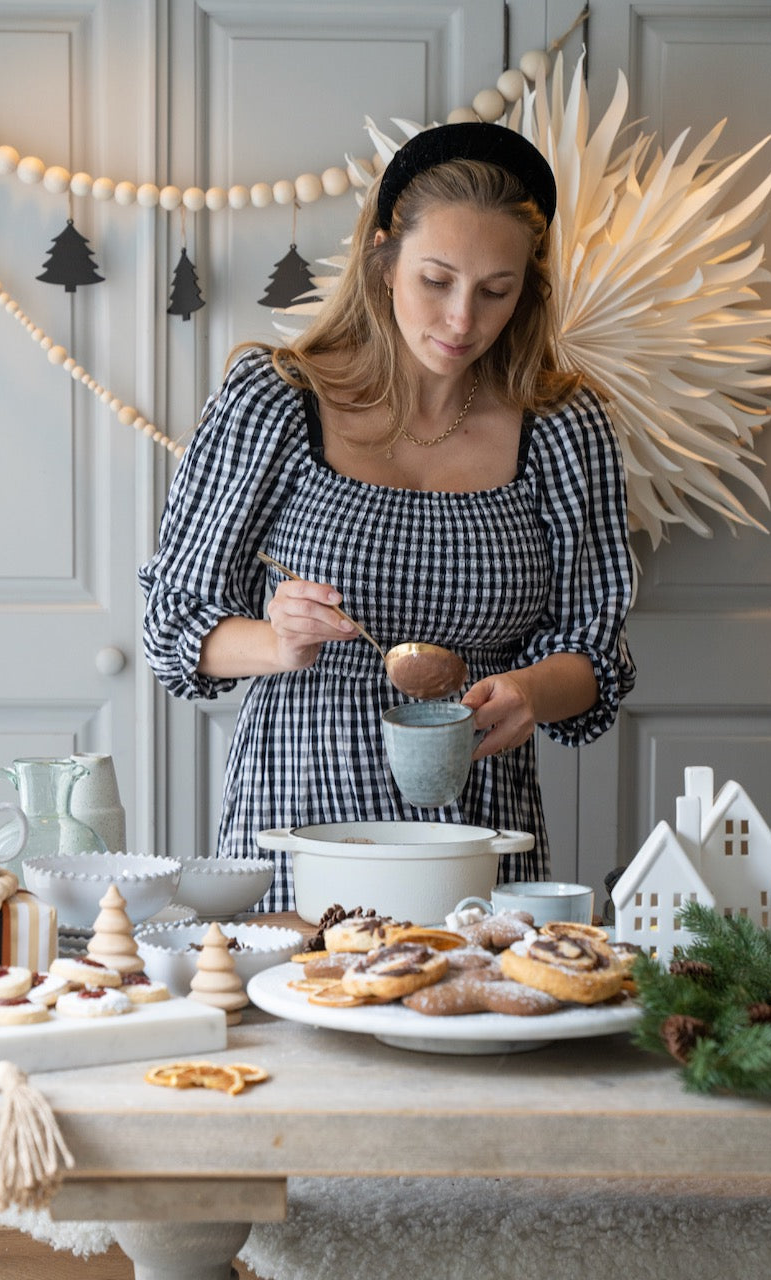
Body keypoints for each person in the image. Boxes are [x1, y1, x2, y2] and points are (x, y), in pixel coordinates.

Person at [139, 121, 636, 913]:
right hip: (298, 819)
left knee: (469, 1019)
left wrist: (531, 693)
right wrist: (280, 639)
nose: (462, 320)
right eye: (435, 280)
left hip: (477, 831)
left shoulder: (563, 427)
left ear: (528, 290)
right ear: (382, 262)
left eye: (495, 290)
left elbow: (593, 654)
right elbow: (172, 627)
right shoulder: (275, 400)